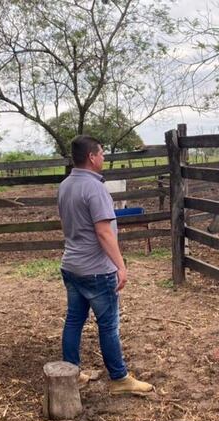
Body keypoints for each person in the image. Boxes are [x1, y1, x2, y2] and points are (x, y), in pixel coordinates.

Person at [57, 135, 153, 395]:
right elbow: (103, 232)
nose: (104, 158)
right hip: (96, 270)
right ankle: (120, 378)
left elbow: (68, 225)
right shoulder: (96, 188)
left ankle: (71, 374)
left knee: (74, 320)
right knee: (108, 324)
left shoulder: (65, 185)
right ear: (91, 157)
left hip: (72, 265)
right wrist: (120, 265)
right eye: (101, 153)